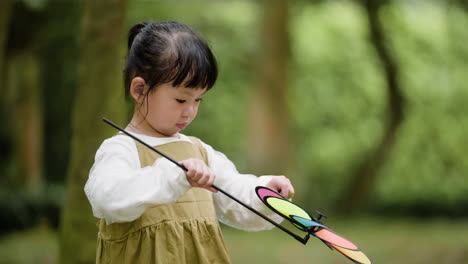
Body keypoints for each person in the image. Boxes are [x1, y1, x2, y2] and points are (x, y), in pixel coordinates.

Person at [84, 21, 295, 264]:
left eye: (198, 100)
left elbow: (234, 196)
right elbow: (108, 199)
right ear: (140, 90)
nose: (190, 112)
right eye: (181, 100)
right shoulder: (121, 149)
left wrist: (265, 192)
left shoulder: (198, 151)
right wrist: (175, 176)